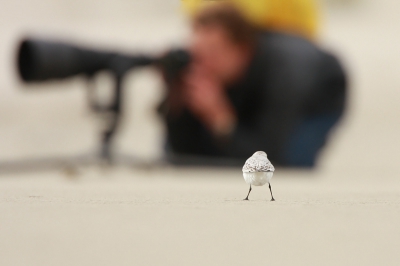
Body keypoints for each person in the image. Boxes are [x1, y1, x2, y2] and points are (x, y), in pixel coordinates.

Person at [159, 3, 346, 167]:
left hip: (322, 91)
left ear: (242, 49)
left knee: (291, 163)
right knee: (216, 154)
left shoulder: (282, 74)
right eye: (197, 54)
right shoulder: (215, 70)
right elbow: (182, 155)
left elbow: (271, 157)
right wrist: (176, 99)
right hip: (255, 85)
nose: (203, 64)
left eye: (213, 54)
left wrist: (220, 118)